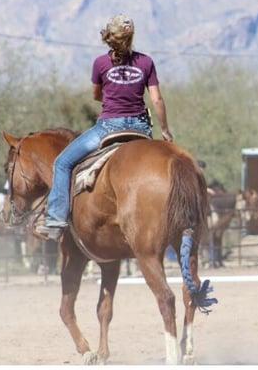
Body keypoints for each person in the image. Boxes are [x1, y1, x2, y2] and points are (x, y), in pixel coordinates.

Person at [37, 14, 173, 240]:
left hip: (108, 127)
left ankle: (55, 221)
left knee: (62, 163)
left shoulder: (100, 63)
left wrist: (113, 95)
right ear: (131, 37)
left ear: (110, 36)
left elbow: (96, 95)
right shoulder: (146, 62)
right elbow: (157, 100)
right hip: (140, 129)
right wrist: (165, 130)